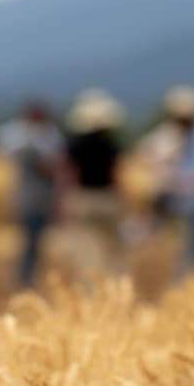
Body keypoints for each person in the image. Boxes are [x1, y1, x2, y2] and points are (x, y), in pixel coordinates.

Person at [0, 100, 66, 288]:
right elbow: (52, 166)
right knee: (32, 242)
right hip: (35, 201)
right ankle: (26, 279)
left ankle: (27, 278)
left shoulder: (21, 138)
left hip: (31, 200)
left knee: (33, 242)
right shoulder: (38, 140)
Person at [151, 85, 194, 276]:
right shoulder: (167, 136)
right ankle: (180, 279)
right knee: (177, 244)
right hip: (177, 199)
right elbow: (156, 161)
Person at [65, 89, 127, 280]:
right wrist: (124, 199)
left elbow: (71, 175)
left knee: (87, 248)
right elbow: (116, 175)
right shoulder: (111, 144)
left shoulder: (76, 144)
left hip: (84, 197)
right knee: (114, 247)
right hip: (107, 197)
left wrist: (67, 199)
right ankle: (116, 285)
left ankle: (90, 289)